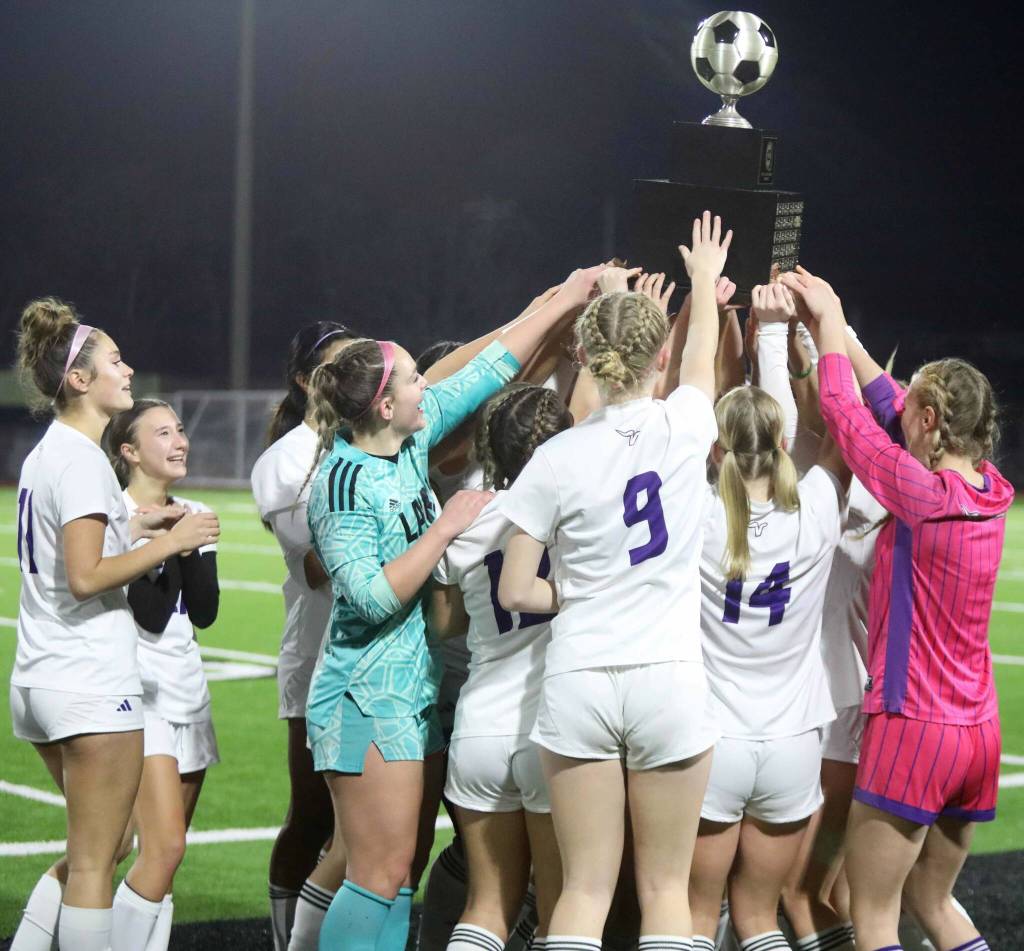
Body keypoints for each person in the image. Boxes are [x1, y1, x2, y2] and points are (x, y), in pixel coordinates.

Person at [304, 265, 607, 951]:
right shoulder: (343, 480)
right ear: (383, 405)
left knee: (396, 874)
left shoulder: (407, 442)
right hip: (362, 693)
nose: (426, 386)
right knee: (376, 871)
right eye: (414, 378)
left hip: (404, 686)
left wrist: (567, 294)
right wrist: (445, 526)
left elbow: (491, 366)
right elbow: (372, 594)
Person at [497, 212, 732, 951]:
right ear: (656, 352)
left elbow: (513, 589)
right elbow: (699, 362)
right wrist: (700, 280)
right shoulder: (684, 424)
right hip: (667, 676)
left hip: (581, 676)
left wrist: (576, 594)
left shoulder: (556, 457)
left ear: (585, 357)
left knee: (584, 890)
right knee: (666, 890)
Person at [781, 266, 1011, 951]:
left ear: (933, 420)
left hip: (916, 729)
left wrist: (826, 328)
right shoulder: (991, 488)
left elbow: (850, 417)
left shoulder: (923, 496)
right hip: (979, 732)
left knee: (876, 917)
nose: (899, 402)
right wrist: (846, 334)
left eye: (914, 402)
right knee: (934, 903)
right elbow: (885, 402)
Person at [9, 298, 218, 951]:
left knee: (103, 844)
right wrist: (171, 540)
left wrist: (137, 526)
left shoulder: (53, 453)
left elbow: (78, 548)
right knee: (99, 862)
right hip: (87, 680)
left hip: (43, 674)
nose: (127, 370)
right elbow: (85, 574)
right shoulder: (79, 458)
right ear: (79, 379)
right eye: (115, 360)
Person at [687, 328, 849, 951]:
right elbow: (844, 433)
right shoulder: (813, 508)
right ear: (780, 443)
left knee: (699, 916)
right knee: (759, 919)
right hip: (792, 743)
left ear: (714, 449)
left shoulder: (697, 516)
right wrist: (796, 336)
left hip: (713, 740)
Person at [429, 384, 573, 951]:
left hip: (481, 722)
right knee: (561, 908)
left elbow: (444, 625)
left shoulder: (468, 519)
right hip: (553, 728)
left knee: (487, 905)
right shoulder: (575, 509)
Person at [251, 321, 359, 951]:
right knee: (315, 816)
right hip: (319, 656)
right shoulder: (286, 459)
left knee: (376, 829)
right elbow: (317, 569)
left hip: (384, 657)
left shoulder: (380, 435)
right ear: (305, 380)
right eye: (340, 362)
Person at [99, 398, 221, 951]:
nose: (180, 442)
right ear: (129, 451)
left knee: (165, 857)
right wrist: (169, 541)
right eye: (163, 433)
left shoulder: (191, 510)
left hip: (187, 692)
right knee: (156, 847)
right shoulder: (112, 515)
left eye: (180, 431)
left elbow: (205, 611)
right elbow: (147, 617)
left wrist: (190, 543)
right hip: (137, 697)